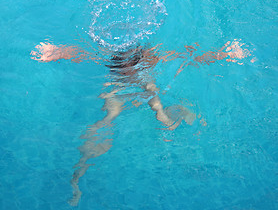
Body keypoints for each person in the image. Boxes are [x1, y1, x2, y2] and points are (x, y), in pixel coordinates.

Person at [31, 39, 251, 205]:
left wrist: (223, 54)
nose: (128, 68)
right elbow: (79, 53)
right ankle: (78, 176)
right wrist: (56, 52)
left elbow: (191, 56)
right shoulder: (136, 58)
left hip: (138, 84)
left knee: (157, 114)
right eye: (125, 65)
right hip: (128, 84)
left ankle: (78, 176)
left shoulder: (148, 57)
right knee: (112, 117)